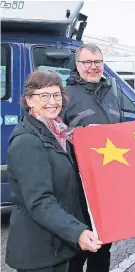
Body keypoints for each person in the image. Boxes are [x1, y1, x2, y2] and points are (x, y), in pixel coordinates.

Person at [5, 70, 102, 272]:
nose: (52, 101)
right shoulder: (27, 141)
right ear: (29, 100)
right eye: (44, 96)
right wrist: (77, 232)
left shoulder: (60, 132)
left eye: (56, 95)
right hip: (40, 251)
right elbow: (40, 201)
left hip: (61, 247)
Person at [60, 43, 123, 272]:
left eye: (97, 62)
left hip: (107, 184)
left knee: (104, 243)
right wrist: (75, 134)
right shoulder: (65, 96)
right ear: (77, 65)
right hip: (78, 185)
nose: (93, 67)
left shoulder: (111, 95)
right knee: (80, 246)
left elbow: (122, 132)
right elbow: (53, 132)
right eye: (87, 62)